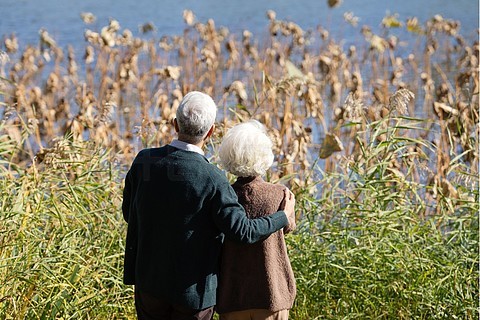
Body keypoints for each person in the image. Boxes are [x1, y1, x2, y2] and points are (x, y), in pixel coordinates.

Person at [121, 91, 296, 320]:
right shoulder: (213, 179)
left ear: (175, 124)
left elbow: (129, 214)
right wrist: (282, 217)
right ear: (211, 131)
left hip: (149, 283)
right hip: (194, 293)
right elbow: (243, 231)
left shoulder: (144, 161)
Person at [216, 120, 296, 320]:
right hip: (271, 295)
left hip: (233, 297)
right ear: (265, 155)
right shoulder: (281, 195)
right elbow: (289, 227)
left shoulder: (222, 197)